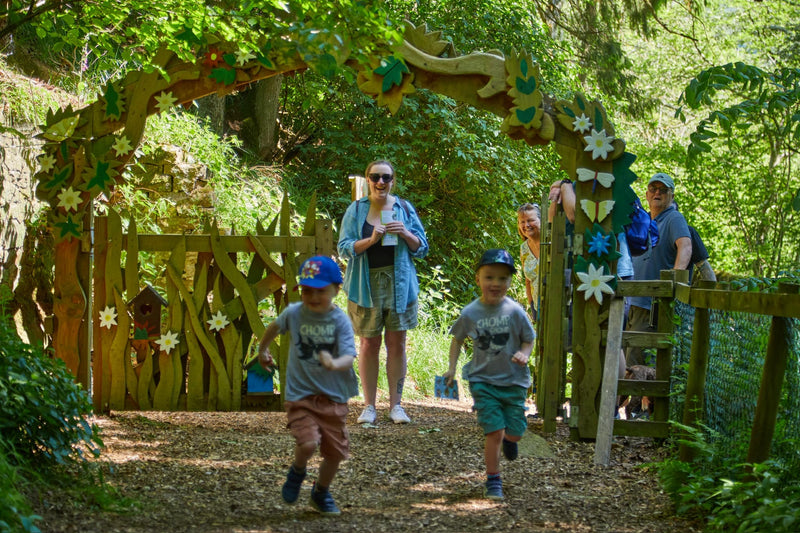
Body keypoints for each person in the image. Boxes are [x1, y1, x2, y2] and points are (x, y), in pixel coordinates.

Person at [257, 256, 358, 516]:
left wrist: (334, 364)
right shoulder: (295, 313)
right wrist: (263, 348)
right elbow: (274, 326)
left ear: (336, 289)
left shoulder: (341, 322)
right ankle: (298, 471)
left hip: (334, 398)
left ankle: (321, 492)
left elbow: (349, 357)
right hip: (300, 395)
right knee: (308, 443)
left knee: (335, 454)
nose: (313, 297)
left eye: (320, 291)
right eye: (306, 291)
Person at [337, 160, 429, 425]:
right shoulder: (355, 210)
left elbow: (422, 248)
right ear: (367, 180)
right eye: (375, 177)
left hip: (400, 284)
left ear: (393, 181)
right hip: (365, 284)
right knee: (368, 344)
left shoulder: (404, 209)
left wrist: (406, 234)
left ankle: (396, 406)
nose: (380, 182)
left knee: (397, 343)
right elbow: (344, 248)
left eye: (385, 177)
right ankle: (369, 406)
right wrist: (370, 240)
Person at [443, 249, 535, 501]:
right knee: (493, 431)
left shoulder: (515, 312)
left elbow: (529, 339)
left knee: (513, 432)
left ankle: (511, 438)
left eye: (502, 278)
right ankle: (493, 479)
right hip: (482, 381)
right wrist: (452, 367)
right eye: (489, 277)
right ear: (478, 279)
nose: (495, 283)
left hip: (514, 382)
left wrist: (524, 354)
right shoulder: (471, 312)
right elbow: (457, 340)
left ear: (509, 281)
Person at [626, 172, 692, 367]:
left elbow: (686, 246)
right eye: (653, 189)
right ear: (646, 194)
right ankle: (626, 398)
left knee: (637, 361)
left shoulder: (674, 218)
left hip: (651, 304)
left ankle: (635, 398)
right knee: (627, 355)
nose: (657, 193)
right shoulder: (644, 219)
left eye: (663, 190)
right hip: (632, 300)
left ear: (671, 196)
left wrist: (673, 279)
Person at [517, 203, 542, 321]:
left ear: (541, 220)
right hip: (538, 307)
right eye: (522, 221)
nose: (526, 225)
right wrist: (532, 305)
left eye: (530, 220)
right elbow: (528, 280)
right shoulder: (524, 248)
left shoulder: (552, 242)